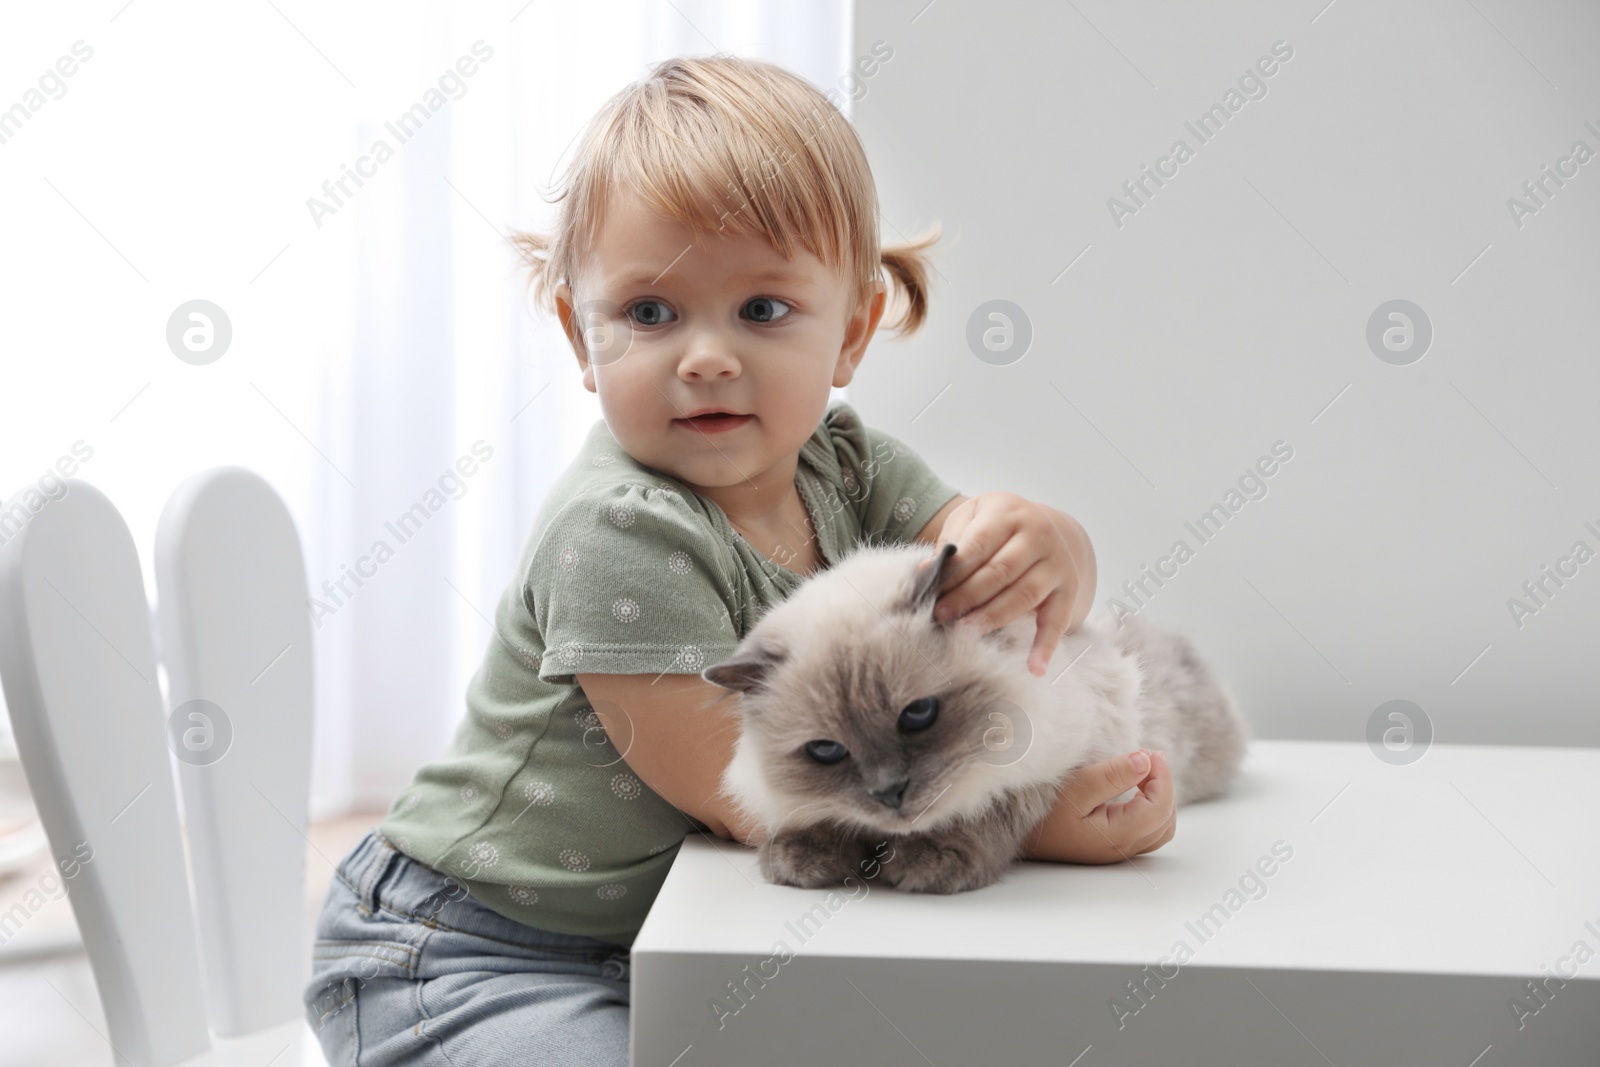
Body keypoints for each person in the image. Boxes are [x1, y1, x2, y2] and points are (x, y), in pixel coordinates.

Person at [303, 53, 1176, 1066]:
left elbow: (980, 577)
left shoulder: (847, 467)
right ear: (579, 336)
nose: (705, 356)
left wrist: (1049, 543)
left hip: (671, 942)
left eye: (761, 310)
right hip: (473, 950)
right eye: (649, 312)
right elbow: (755, 798)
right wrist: (1030, 816)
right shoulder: (618, 532)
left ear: (850, 331)